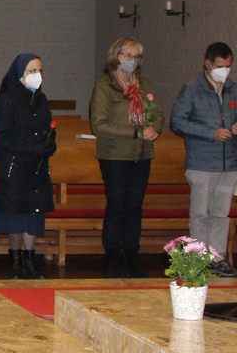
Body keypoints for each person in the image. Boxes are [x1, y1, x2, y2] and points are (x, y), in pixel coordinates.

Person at [90, 37, 163, 278]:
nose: (132, 60)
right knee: (117, 205)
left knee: (134, 207)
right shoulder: (105, 85)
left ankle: (131, 256)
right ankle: (113, 257)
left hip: (142, 154)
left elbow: (157, 114)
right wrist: (135, 132)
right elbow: (99, 124)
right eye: (127, 56)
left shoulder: (144, 84)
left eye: (136, 56)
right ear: (117, 56)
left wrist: (153, 129)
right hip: (114, 155)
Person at [170, 42, 237, 277]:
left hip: (229, 163)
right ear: (208, 64)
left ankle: (217, 257)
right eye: (220, 66)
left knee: (221, 213)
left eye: (228, 66)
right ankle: (198, 257)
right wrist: (211, 133)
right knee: (200, 213)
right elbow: (178, 121)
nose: (224, 71)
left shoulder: (233, 89)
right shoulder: (192, 89)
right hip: (201, 162)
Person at [0, 53, 55, 280]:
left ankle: (30, 260)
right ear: (20, 73)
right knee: (16, 216)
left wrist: (49, 143)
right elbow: (1, 139)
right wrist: (31, 148)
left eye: (40, 71)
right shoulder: (7, 99)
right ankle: (16, 261)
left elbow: (47, 127)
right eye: (32, 71)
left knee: (33, 215)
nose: (37, 75)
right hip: (14, 168)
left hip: (36, 168)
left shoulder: (41, 100)